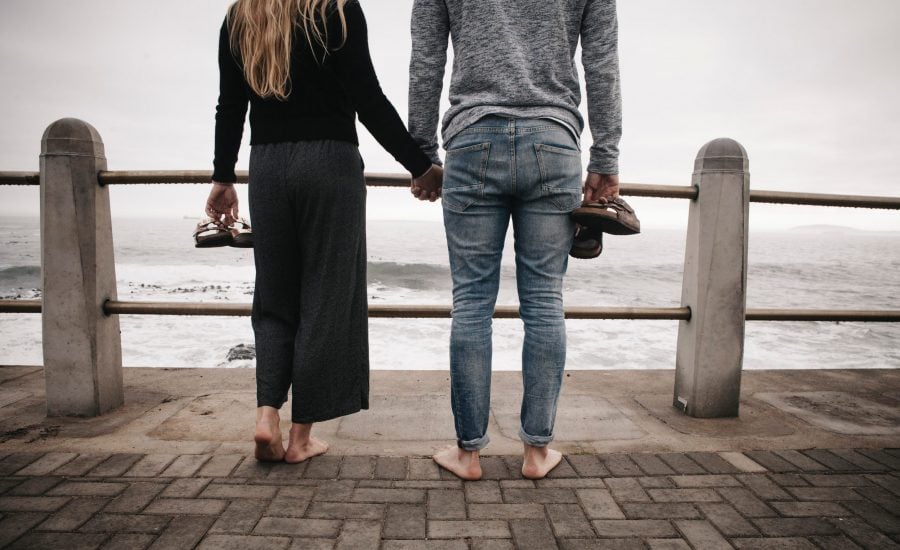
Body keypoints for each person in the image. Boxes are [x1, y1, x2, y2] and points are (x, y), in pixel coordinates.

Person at [206, 0, 443, 463]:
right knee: (326, 298)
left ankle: (266, 415)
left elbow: (230, 106)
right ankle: (300, 439)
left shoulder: (242, 15)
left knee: (273, 299)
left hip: (268, 166)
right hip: (331, 164)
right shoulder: (334, 9)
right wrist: (419, 166)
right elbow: (366, 95)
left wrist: (222, 177)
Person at [409, 0, 623, 479]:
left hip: (471, 139)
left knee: (471, 303)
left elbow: (426, 59)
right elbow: (601, 62)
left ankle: (467, 454)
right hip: (554, 139)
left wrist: (421, 154)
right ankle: (536, 451)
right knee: (545, 301)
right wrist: (606, 157)